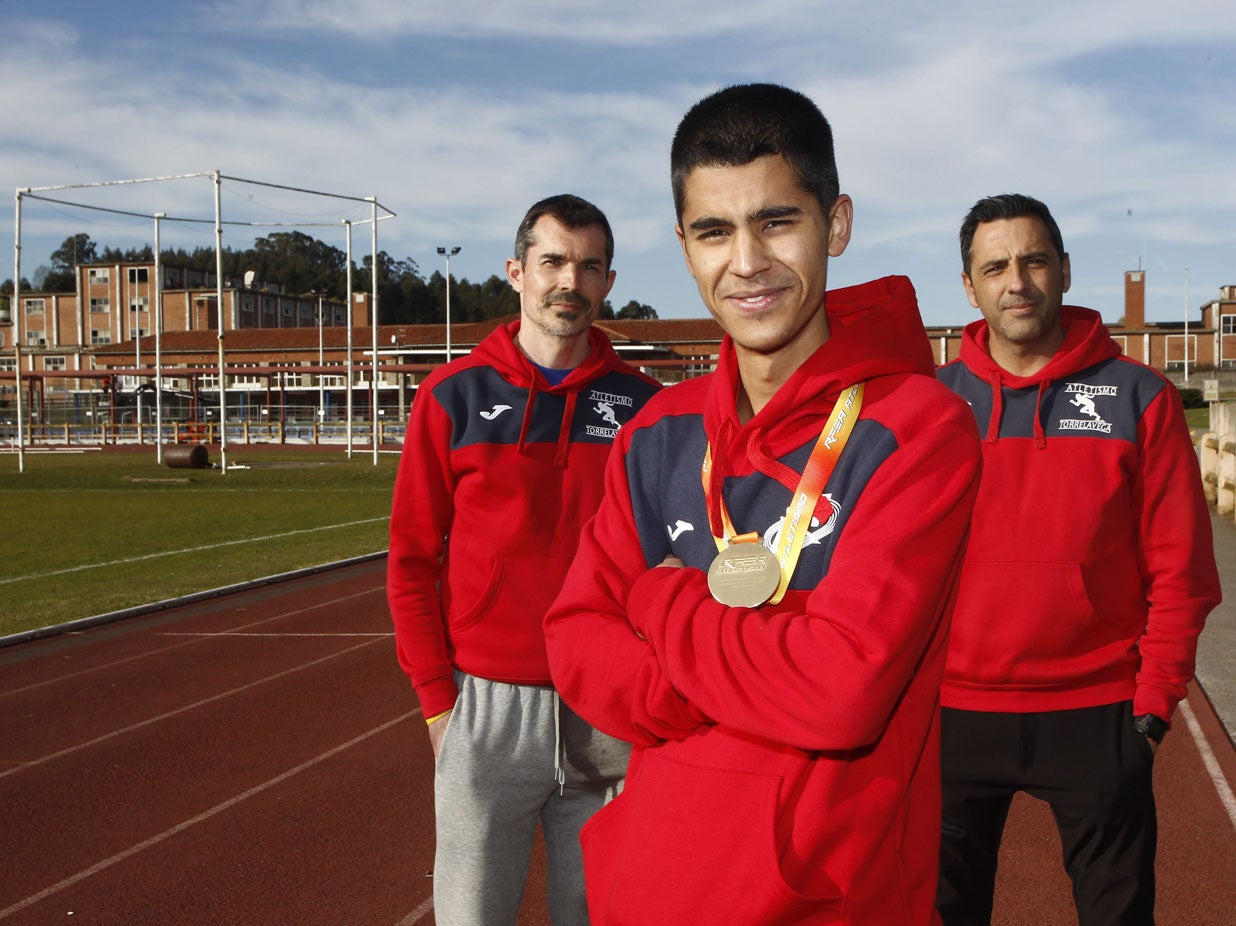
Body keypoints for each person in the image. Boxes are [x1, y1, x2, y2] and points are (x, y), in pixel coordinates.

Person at [543, 83, 982, 925]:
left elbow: (838, 692)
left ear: (836, 225)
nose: (744, 262)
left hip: (830, 903)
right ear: (683, 244)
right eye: (714, 230)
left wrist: (661, 599)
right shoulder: (658, 433)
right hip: (652, 888)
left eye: (776, 221)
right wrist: (740, 673)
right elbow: (574, 643)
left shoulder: (917, 429)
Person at [933, 193, 1223, 925]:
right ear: (969, 286)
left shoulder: (1138, 397)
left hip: (1096, 711)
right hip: (951, 712)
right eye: (993, 266)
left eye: (1033, 260)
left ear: (1062, 270)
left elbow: (1181, 569)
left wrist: (1153, 705)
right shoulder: (927, 405)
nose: (1016, 281)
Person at [387, 193, 662, 925]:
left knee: (604, 911)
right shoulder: (451, 397)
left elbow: (666, 559)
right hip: (486, 706)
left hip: (605, 701)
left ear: (607, 282)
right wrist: (439, 706)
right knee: (472, 914)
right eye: (552, 262)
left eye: (588, 266)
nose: (568, 281)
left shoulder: (643, 408)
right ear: (516, 271)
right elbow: (412, 561)